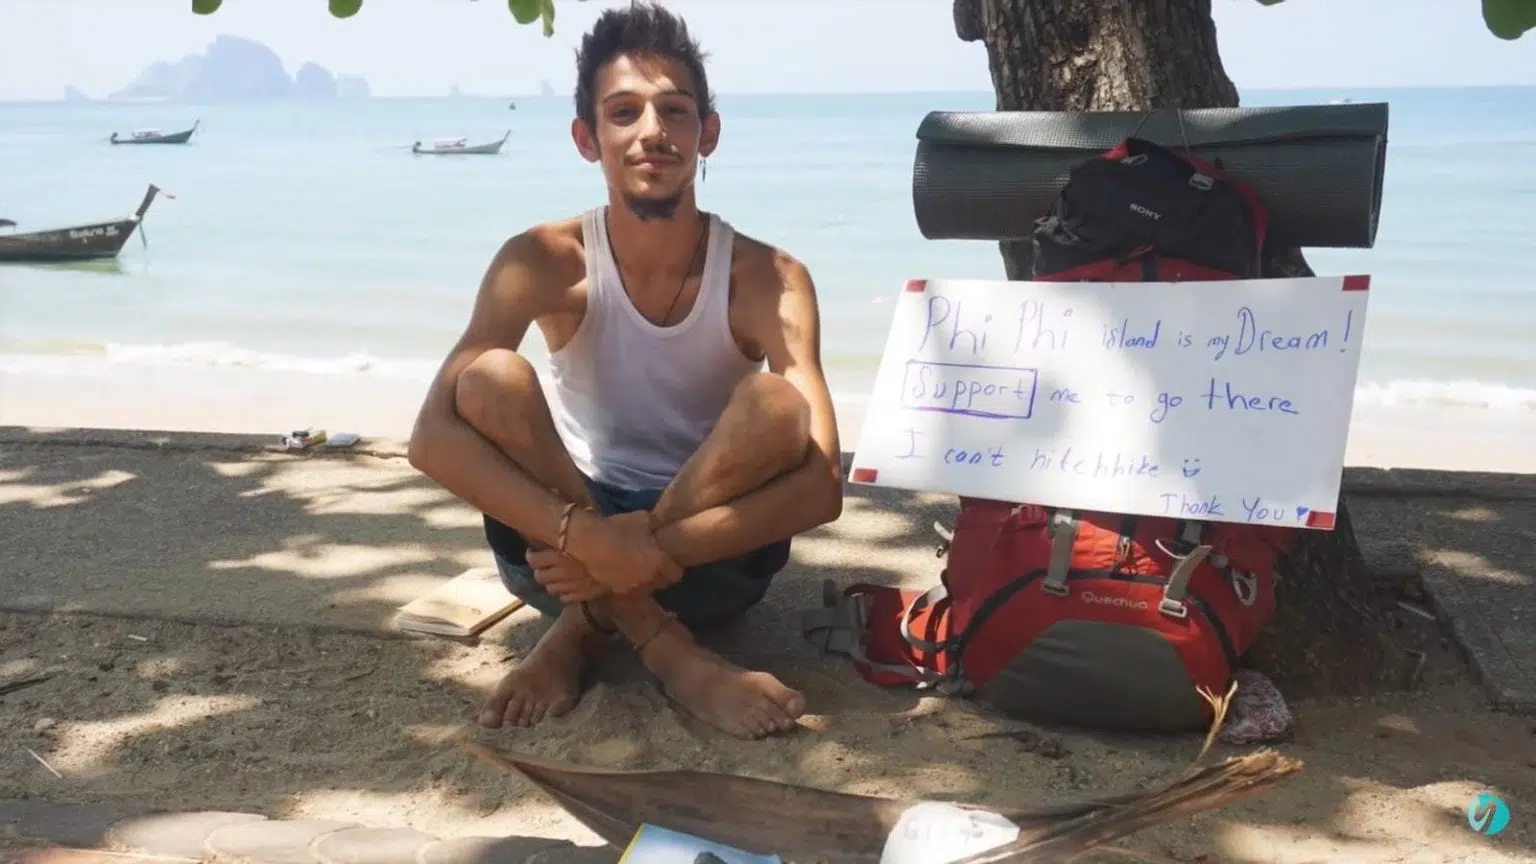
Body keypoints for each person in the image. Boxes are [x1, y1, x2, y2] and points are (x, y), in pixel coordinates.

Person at [407, 2, 844, 741]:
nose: (652, 131)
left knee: (774, 403)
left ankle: (579, 629)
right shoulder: (542, 260)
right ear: (588, 138)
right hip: (559, 549)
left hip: (709, 557)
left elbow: (823, 486)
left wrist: (643, 550)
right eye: (624, 111)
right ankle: (671, 653)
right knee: (488, 378)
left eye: (674, 110)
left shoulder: (770, 277)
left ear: (707, 132)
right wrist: (584, 535)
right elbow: (431, 438)